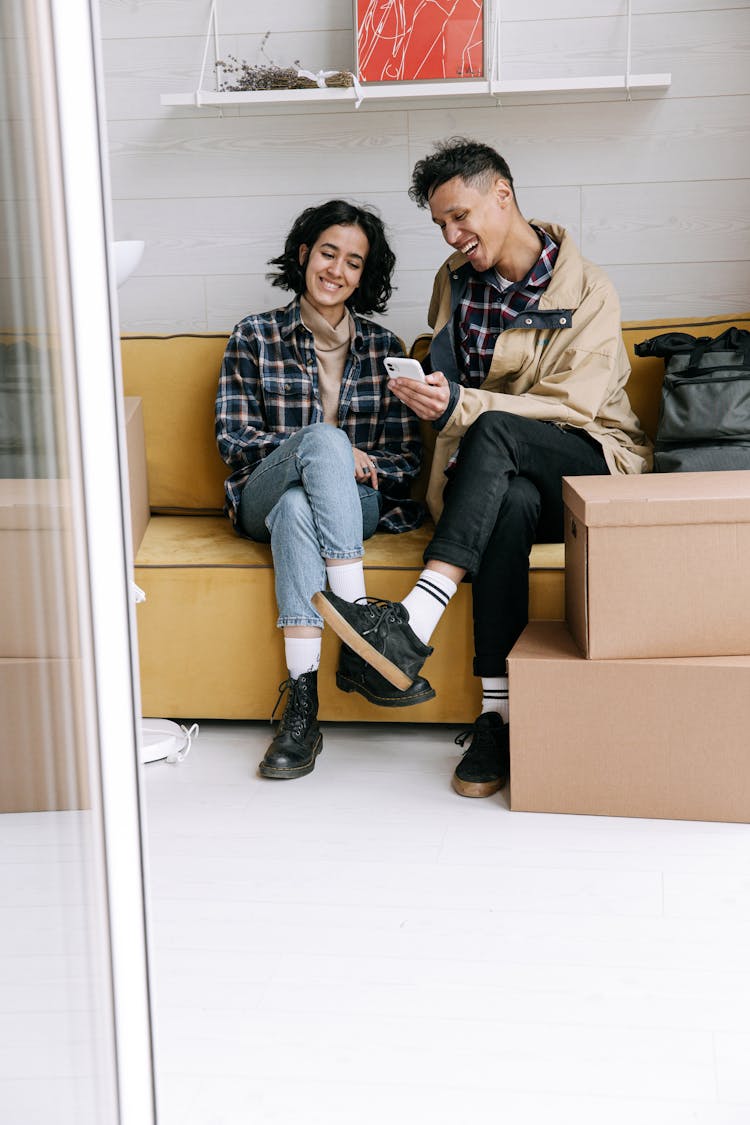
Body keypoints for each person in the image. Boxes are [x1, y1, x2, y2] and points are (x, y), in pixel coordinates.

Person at [314, 138, 653, 798]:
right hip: (499, 475)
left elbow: (571, 405)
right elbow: (456, 386)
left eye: (460, 215)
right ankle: (497, 715)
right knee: (512, 504)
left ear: (502, 193)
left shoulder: (588, 288)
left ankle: (413, 619)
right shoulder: (453, 281)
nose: (452, 233)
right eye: (441, 222)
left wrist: (464, 406)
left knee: (501, 430)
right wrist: (428, 397)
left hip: (590, 467)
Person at [215, 199, 425, 781]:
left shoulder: (386, 349)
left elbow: (406, 461)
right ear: (305, 255)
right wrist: (321, 448)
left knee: (297, 507)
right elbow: (235, 441)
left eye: (353, 262)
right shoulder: (254, 336)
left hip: (348, 505)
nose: (337, 270)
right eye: (328, 253)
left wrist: (352, 463)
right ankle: (359, 617)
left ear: (365, 275)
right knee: (315, 451)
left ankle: (302, 707)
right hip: (261, 489)